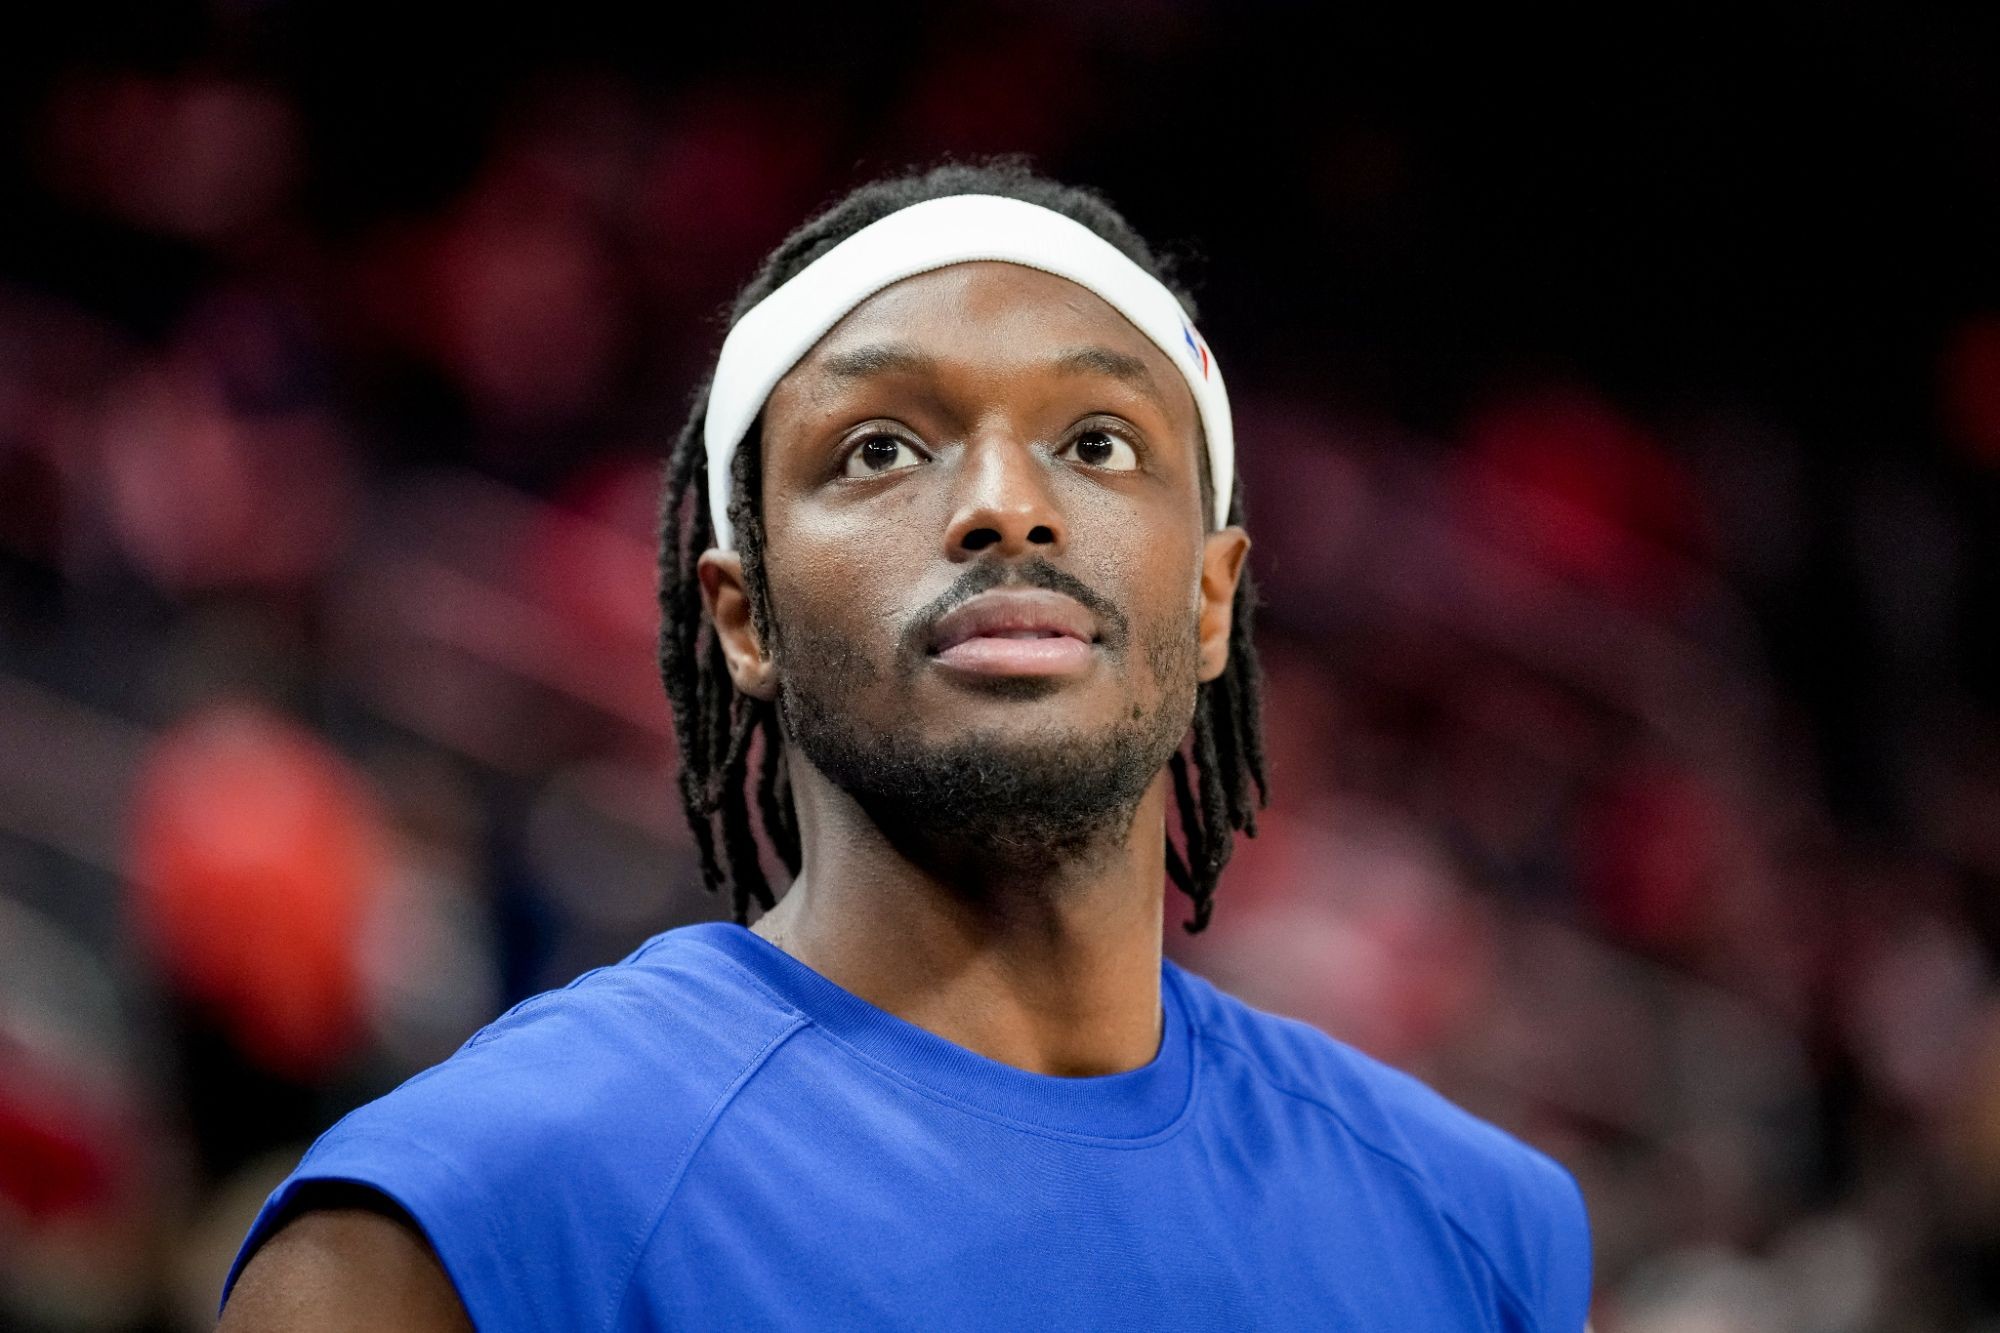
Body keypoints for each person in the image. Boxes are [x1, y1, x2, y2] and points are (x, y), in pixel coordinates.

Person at [218, 160, 1592, 1331]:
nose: (1006, 503)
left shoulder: (1484, 1229)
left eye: (1099, 441)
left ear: (1213, 597)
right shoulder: (466, 1219)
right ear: (743, 616)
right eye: (879, 448)